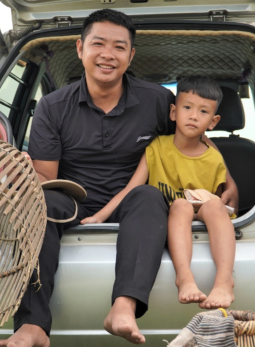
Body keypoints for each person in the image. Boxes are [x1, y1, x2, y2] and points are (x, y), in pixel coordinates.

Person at [0, 9, 238, 347]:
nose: (108, 55)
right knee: (42, 201)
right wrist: (19, 170)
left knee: (150, 197)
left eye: (119, 47)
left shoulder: (156, 101)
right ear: (80, 48)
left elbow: (190, 140)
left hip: (135, 203)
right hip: (72, 199)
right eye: (98, 44)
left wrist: (228, 184)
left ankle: (123, 306)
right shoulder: (52, 106)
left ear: (131, 55)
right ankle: (33, 325)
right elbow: (45, 176)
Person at [81, 75, 236, 310]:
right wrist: (100, 216)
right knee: (180, 205)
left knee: (213, 205)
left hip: (202, 216)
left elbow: (219, 202)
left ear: (213, 122)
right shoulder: (156, 148)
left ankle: (224, 281)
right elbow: (132, 188)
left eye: (203, 112)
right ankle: (184, 277)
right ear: (173, 113)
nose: (193, 116)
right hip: (169, 217)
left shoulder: (214, 158)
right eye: (187, 108)